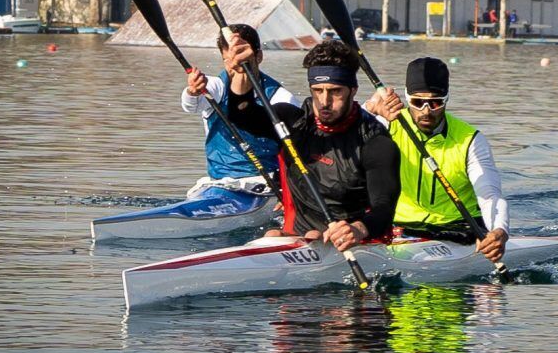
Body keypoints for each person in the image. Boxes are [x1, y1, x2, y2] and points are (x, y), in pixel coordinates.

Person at [223, 37, 401, 252]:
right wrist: (242, 76)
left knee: (314, 236)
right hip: (293, 235)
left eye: (335, 91)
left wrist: (357, 230)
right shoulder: (291, 122)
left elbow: (384, 208)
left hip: (352, 241)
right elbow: (242, 116)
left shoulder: (374, 141)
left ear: (352, 90)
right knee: (272, 235)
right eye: (317, 90)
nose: (324, 101)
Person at [364, 57, 509, 263]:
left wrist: (499, 231)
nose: (426, 111)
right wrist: (368, 108)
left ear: (446, 99)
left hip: (457, 229)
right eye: (417, 102)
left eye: (435, 102)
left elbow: (489, 194)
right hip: (399, 226)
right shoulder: (385, 125)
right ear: (406, 98)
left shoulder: (470, 140)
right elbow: (338, 142)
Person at [183, 24, 300, 198]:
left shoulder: (280, 97)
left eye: (240, 58)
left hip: (265, 183)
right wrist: (192, 91)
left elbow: (296, 150)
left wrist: (292, 193)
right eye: (227, 60)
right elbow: (191, 106)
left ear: (258, 56)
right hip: (220, 183)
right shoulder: (216, 86)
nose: (233, 66)